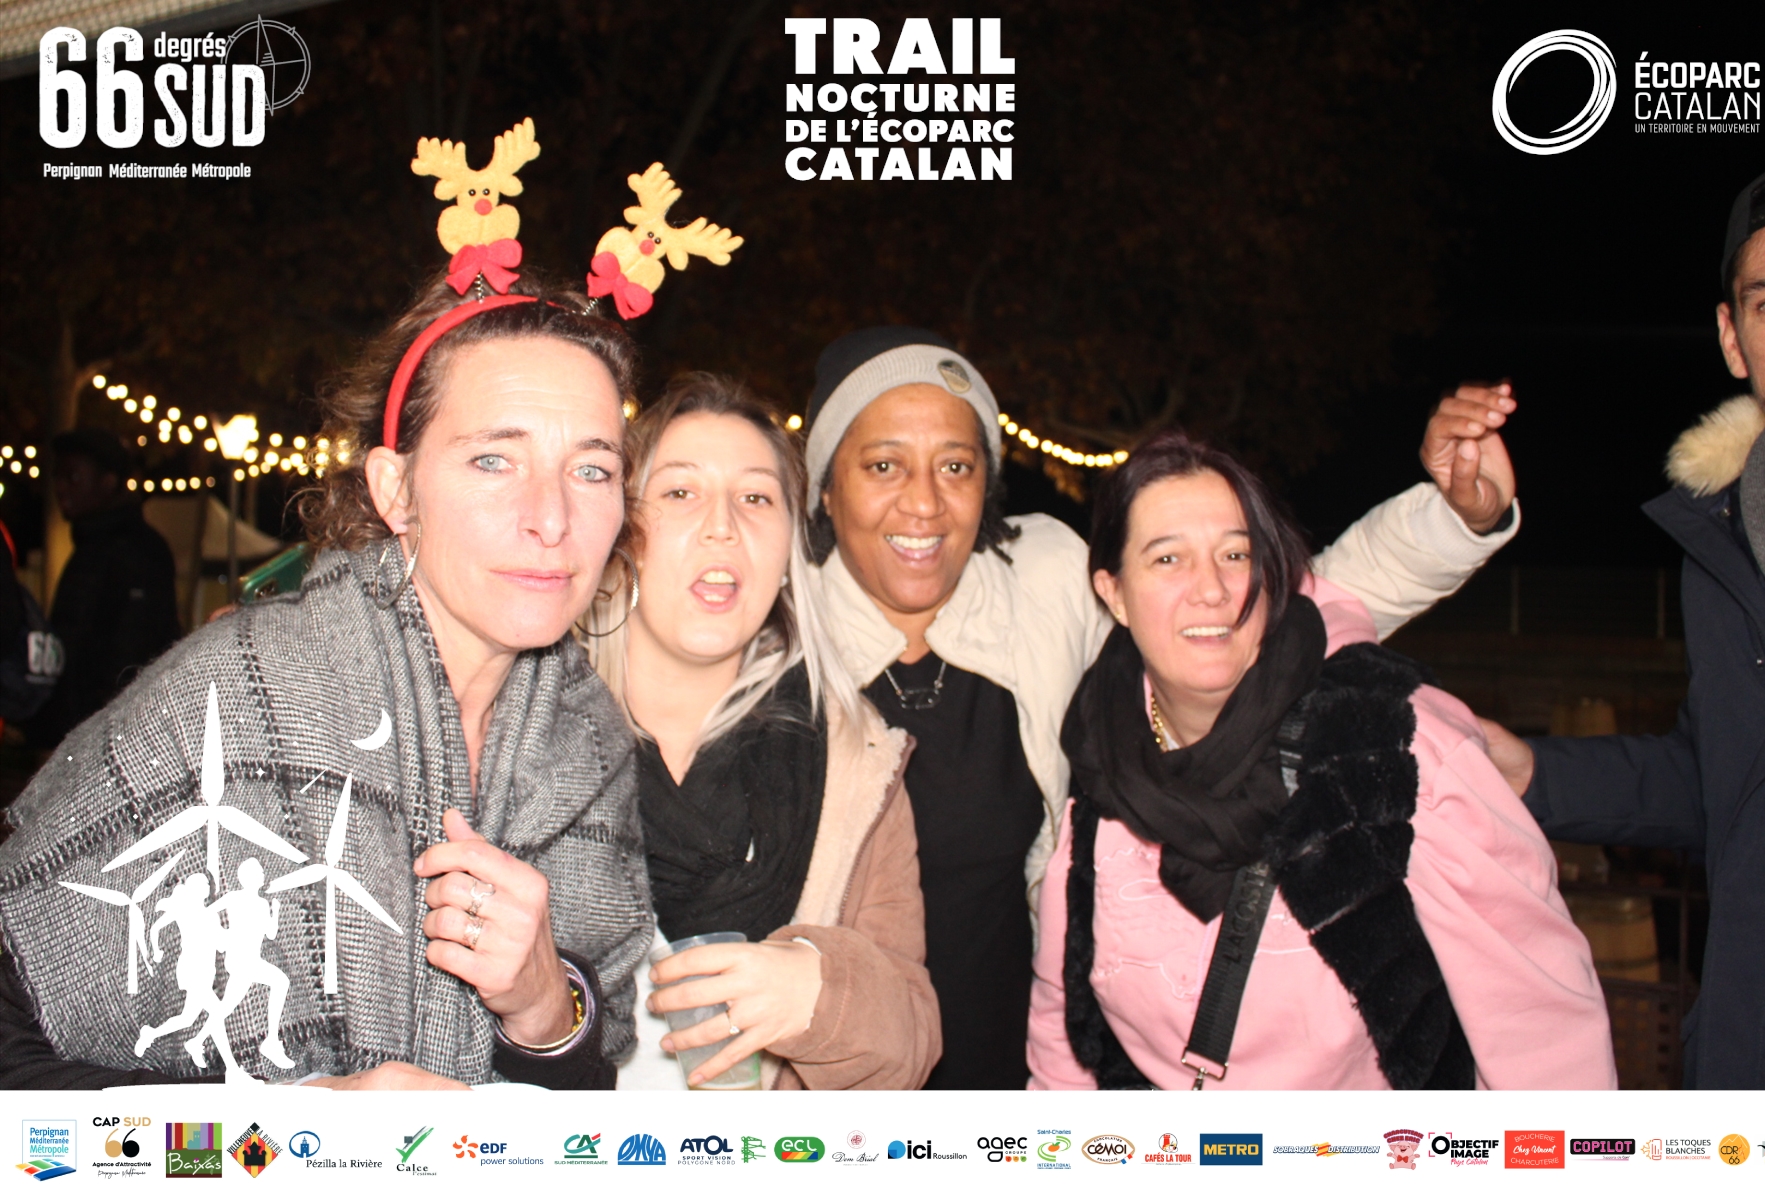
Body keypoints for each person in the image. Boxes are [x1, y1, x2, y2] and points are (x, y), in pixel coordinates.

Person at [801, 326, 1524, 1087]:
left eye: (956, 465)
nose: (924, 502)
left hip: (1019, 1070)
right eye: (883, 465)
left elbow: (1255, 613)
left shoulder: (1039, 580)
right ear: (825, 486)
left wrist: (1454, 521)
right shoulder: (778, 629)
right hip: (833, 1087)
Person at [0, 271, 651, 1088]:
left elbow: (583, 1104)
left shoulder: (590, 742)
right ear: (395, 490)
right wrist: (294, 1122)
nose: (552, 519)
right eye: (494, 460)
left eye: (592, 471)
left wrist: (546, 1008)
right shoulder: (233, 696)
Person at [1027, 430, 1613, 1089]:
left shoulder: (1389, 748)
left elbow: (1541, 1034)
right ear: (1114, 593)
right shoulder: (1101, 764)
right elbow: (1062, 1035)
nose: (1211, 589)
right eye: (1168, 559)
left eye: (1236, 554)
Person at [1482, 154, 1765, 1089]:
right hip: (1751, 1076)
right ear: (1733, 338)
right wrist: (1534, 772)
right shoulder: (1725, 542)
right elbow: (1723, 784)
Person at [586, 374, 937, 1090]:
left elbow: (913, 1043)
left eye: (755, 498)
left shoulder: (855, 760)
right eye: (680, 491)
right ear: (622, 534)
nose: (723, 525)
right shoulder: (526, 733)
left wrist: (819, 996)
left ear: (786, 555)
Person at [21, 428, 181, 748]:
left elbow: (130, 655)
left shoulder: (135, 551)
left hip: (108, 737)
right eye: (57, 477)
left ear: (107, 482)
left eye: (73, 477)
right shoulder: (93, 547)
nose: (61, 488)